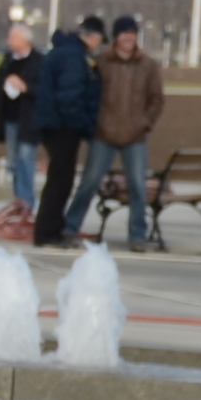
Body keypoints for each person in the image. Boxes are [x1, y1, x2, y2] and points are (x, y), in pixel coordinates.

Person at [89, 17, 170, 250]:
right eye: (124, 33)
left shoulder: (148, 65)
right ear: (116, 37)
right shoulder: (102, 62)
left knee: (137, 186)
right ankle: (71, 226)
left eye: (132, 33)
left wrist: (144, 123)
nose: (128, 37)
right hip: (104, 134)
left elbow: (157, 99)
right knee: (89, 181)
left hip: (135, 136)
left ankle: (137, 235)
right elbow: (90, 94)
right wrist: (96, 122)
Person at [30, 17, 103, 244]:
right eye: (100, 39)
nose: (100, 44)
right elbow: (70, 95)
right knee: (60, 180)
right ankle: (47, 232)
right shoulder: (74, 56)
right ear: (92, 36)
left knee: (59, 178)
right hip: (62, 126)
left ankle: (51, 228)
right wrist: (81, 125)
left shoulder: (66, 52)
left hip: (54, 123)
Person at [0, 37, 41, 216]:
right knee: (13, 163)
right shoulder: (8, 60)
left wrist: (26, 88)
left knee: (26, 160)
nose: (9, 42)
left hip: (29, 122)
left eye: (13, 39)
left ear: (25, 40)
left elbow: (44, 90)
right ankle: (19, 200)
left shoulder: (38, 62)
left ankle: (27, 203)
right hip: (10, 120)